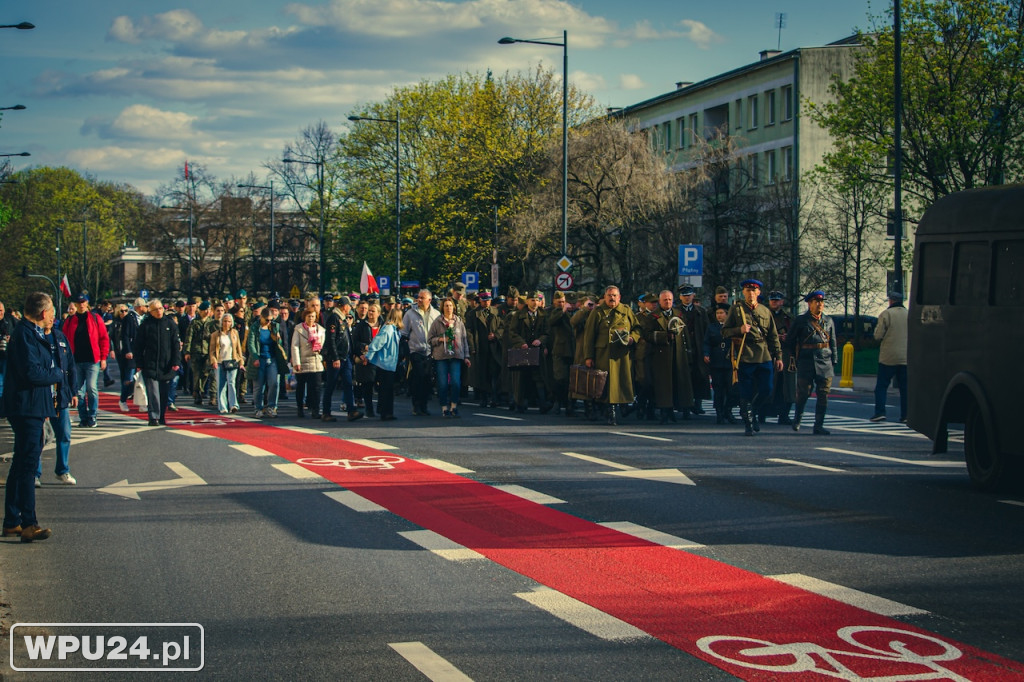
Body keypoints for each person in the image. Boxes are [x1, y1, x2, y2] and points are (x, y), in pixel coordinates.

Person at [1, 292, 62, 542]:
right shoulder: (26, 334)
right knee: (27, 466)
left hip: (32, 405)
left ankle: (12, 520)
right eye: (52, 313)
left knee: (20, 465)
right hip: (26, 406)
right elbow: (33, 373)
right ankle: (29, 522)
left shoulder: (30, 333)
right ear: (44, 313)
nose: (53, 318)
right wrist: (57, 373)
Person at [722, 279, 783, 436]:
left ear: (758, 293)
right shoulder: (736, 310)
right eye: (748, 290)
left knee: (767, 389)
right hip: (745, 354)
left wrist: (778, 356)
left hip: (763, 353)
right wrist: (739, 329)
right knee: (746, 391)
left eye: (753, 290)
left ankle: (753, 410)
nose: (750, 293)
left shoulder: (764, 311)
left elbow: (773, 335)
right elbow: (725, 331)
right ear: (743, 292)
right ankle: (748, 423)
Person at [582, 285, 641, 426]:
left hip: (622, 354)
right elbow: (589, 336)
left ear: (619, 297)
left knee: (621, 382)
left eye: (615, 295)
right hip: (604, 353)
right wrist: (588, 356)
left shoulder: (626, 311)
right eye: (609, 295)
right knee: (607, 384)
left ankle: (623, 407)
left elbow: (637, 328)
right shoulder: (597, 312)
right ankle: (610, 412)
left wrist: (633, 338)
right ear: (605, 296)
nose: (612, 298)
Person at [786, 290, 837, 434]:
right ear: (809, 303)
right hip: (806, 361)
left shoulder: (828, 320)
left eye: (821, 302)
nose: (820, 304)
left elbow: (832, 342)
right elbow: (790, 341)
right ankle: (797, 419)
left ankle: (818, 425)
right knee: (803, 393)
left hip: (825, 360)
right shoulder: (801, 320)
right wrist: (793, 358)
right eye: (816, 302)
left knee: (823, 394)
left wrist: (835, 360)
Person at [640, 290, 693, 424]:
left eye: (670, 300)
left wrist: (688, 352)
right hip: (660, 356)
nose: (668, 302)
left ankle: (673, 410)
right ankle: (664, 411)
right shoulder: (652, 316)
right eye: (665, 300)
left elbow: (685, 334)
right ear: (660, 301)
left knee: (677, 382)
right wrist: (664, 337)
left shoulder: (679, 314)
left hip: (677, 353)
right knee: (663, 385)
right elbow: (646, 335)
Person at [40, 308, 78, 485]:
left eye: (53, 316)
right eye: (49, 315)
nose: (52, 319)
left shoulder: (60, 337)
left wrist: (73, 391)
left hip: (60, 394)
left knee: (64, 433)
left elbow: (70, 365)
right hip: (41, 395)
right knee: (40, 436)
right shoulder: (35, 337)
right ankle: (35, 473)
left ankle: (62, 470)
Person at [61, 292, 110, 428]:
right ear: (76, 305)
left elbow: (104, 338)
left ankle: (92, 415)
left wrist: (103, 357)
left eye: (83, 302)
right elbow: (63, 340)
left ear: (87, 303)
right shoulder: (70, 321)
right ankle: (83, 417)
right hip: (76, 361)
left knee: (91, 387)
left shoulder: (95, 318)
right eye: (79, 303)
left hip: (92, 360)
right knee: (79, 392)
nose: (81, 305)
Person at [134, 299, 182, 426]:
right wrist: (139, 363)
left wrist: (176, 361)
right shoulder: (146, 325)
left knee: (164, 393)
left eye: (160, 308)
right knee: (153, 392)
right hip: (150, 364)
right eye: (156, 309)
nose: (159, 311)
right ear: (150, 311)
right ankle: (153, 416)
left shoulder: (170, 324)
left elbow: (176, 345)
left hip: (166, 365)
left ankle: (161, 415)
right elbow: (138, 346)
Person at [508, 291, 551, 414]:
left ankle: (543, 403)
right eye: (532, 300)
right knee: (522, 378)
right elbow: (513, 332)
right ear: (527, 301)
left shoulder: (543, 315)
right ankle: (520, 403)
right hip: (523, 351)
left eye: (537, 300)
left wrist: (541, 340)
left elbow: (547, 333)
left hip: (537, 351)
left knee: (539, 377)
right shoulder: (518, 315)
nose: (535, 303)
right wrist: (521, 343)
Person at [429, 298, 471, 418]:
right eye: (446, 306)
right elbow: (430, 339)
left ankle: (454, 406)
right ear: (443, 308)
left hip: (456, 356)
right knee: (442, 384)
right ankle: (444, 407)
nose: (449, 308)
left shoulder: (458, 321)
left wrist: (466, 356)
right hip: (441, 356)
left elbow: (464, 340)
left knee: (456, 382)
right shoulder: (437, 322)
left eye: (451, 306)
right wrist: (441, 339)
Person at [321, 295, 360, 422]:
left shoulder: (342, 319)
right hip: (337, 358)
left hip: (346, 357)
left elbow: (347, 339)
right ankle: (326, 412)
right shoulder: (334, 318)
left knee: (348, 384)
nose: (350, 308)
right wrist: (335, 357)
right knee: (330, 385)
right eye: (349, 306)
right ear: (344, 306)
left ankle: (351, 410)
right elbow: (331, 340)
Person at [402, 289, 440, 416]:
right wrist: (407, 350)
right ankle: (416, 404)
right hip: (416, 351)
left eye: (422, 298)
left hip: (430, 352)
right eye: (418, 297)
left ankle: (424, 405)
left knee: (427, 379)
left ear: (429, 300)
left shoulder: (436, 314)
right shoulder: (410, 314)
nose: (419, 300)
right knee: (418, 377)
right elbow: (404, 333)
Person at [871, 291, 908, 423]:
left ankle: (880, 412)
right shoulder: (909, 314)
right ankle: (906, 415)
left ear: (891, 301)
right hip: (905, 357)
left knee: (882, 386)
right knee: (905, 387)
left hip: (888, 356)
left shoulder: (886, 314)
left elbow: (878, 335)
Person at [676, 285, 710, 416]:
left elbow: (707, 331)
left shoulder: (701, 311)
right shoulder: (676, 311)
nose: (687, 298)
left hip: (698, 347)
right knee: (684, 377)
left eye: (689, 295)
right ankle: (685, 406)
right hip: (683, 347)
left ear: (693, 296)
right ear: (680, 297)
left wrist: (706, 349)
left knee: (699, 375)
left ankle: (698, 403)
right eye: (684, 295)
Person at [247, 307, 286, 419]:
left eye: (271, 320)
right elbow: (251, 344)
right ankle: (258, 408)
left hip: (272, 358)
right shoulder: (255, 327)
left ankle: (271, 407)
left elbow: (279, 344)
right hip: (260, 358)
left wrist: (278, 339)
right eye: (267, 320)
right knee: (259, 386)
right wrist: (255, 357)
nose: (269, 322)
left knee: (274, 383)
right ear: (261, 317)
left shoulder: (274, 326)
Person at [365, 307, 403, 421]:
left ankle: (385, 411)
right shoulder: (389, 329)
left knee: (387, 389)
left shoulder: (394, 329)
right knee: (386, 389)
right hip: (385, 363)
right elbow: (377, 343)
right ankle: (385, 412)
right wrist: (369, 356)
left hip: (390, 363)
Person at [703, 302, 737, 424]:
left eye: (721, 313)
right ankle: (719, 413)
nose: (719, 315)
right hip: (716, 360)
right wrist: (706, 353)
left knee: (731, 388)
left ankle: (728, 410)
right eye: (717, 313)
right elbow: (707, 342)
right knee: (718, 389)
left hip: (729, 360)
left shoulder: (732, 326)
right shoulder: (712, 327)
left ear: (727, 314)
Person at [766, 290, 795, 425]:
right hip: (768, 353)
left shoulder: (789, 318)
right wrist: (774, 337)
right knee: (767, 385)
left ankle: (784, 414)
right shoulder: (764, 315)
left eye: (777, 300)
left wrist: (787, 337)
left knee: (787, 387)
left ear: (782, 302)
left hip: (786, 354)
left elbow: (796, 335)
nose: (774, 302)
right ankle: (761, 414)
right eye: (772, 300)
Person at [290, 308, 325, 419]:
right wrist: (296, 362)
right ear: (304, 317)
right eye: (308, 316)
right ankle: (300, 408)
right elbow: (294, 346)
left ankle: (315, 409)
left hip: (316, 360)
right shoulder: (299, 329)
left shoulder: (320, 330)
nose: (311, 318)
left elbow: (324, 344)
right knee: (301, 386)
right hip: (302, 360)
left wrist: (321, 351)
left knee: (316, 387)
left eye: (313, 316)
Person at [351, 302, 382, 417]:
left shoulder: (383, 325)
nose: (370, 313)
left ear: (378, 313)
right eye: (369, 310)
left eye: (373, 311)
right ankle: (369, 409)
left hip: (380, 359)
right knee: (367, 385)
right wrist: (362, 349)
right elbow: (355, 342)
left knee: (381, 385)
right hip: (366, 359)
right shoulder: (361, 325)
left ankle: (381, 408)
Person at [209, 313, 243, 415]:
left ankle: (233, 405)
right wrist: (213, 361)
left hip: (232, 361)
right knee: (221, 385)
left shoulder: (234, 333)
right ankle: (223, 406)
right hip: (220, 362)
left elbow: (238, 349)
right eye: (224, 321)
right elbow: (211, 351)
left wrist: (241, 361)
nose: (226, 323)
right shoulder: (215, 335)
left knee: (231, 383)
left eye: (229, 321)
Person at [0, 299, 12, 399]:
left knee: (4, 381)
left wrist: (11, 338)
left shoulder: (9, 320)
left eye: (1, 310)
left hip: (6, 355)